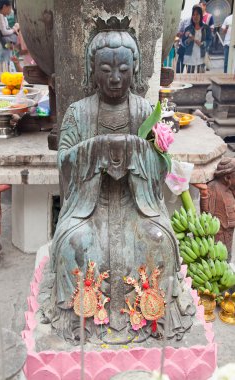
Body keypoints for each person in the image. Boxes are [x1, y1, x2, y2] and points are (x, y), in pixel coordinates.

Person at [47, 22, 194, 345]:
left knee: (158, 241)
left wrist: (137, 150)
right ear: (92, 70)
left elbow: (160, 166)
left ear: (135, 69)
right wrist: (95, 149)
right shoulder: (78, 112)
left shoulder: (145, 110)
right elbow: (63, 162)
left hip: (135, 203)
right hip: (91, 206)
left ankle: (148, 313)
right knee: (75, 245)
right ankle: (84, 316)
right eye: (106, 69)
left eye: (123, 69)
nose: (115, 78)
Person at [195, 157, 235, 262]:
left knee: (227, 252)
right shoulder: (213, 187)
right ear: (227, 178)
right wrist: (204, 194)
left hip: (229, 229)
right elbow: (205, 213)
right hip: (218, 230)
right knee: (217, 254)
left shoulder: (232, 188)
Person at [182, 5, 212, 73]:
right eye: (194, 15)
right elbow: (183, 42)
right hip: (190, 57)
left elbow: (209, 40)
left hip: (201, 56)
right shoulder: (188, 28)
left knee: (200, 77)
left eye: (197, 14)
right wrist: (189, 40)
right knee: (190, 77)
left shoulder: (206, 28)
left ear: (201, 15)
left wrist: (203, 43)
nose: (195, 16)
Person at [0, 0, 19, 71]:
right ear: (4, 7)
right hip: (1, 48)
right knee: (4, 69)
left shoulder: (4, 17)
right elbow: (4, 32)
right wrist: (14, 29)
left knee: (7, 68)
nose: (10, 11)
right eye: (9, 8)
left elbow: (6, 34)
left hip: (4, 46)